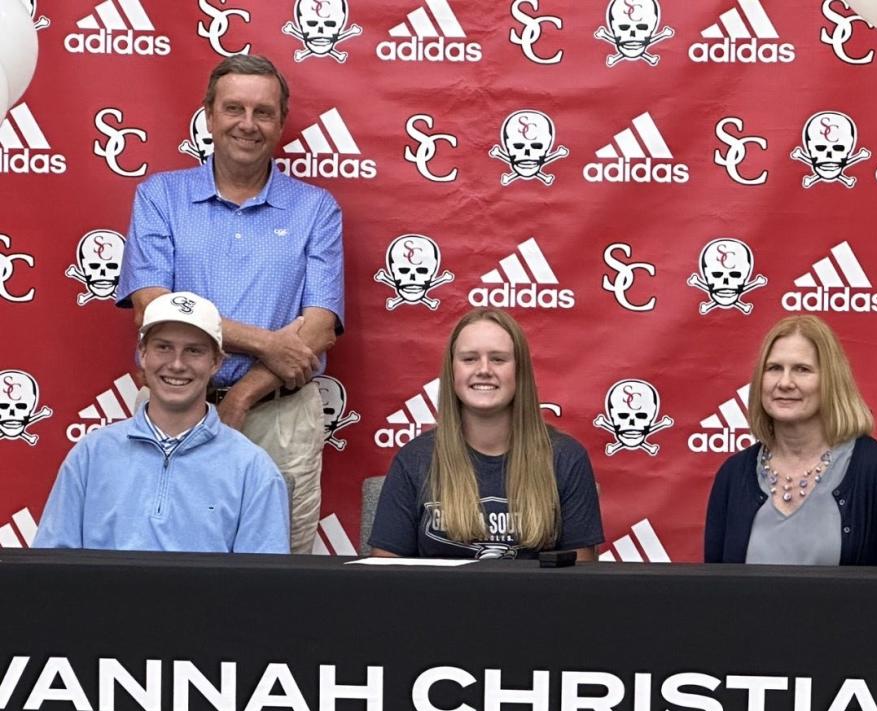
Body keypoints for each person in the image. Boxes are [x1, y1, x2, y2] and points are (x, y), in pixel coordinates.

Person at [116, 55, 343, 554]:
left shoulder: (317, 208)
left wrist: (241, 398)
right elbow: (154, 310)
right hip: (172, 406)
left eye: (263, 112)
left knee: (279, 579)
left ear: (281, 122)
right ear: (209, 115)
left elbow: (320, 328)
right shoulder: (160, 197)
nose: (247, 124)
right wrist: (266, 341)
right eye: (233, 108)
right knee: (159, 558)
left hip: (280, 416)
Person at [34, 292, 290, 553]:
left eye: (193, 351)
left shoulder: (254, 470)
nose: (177, 364)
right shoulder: (90, 455)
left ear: (215, 362)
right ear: (143, 354)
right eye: (163, 347)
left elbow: (261, 587)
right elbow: (50, 569)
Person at [369, 308, 604, 560]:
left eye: (498, 359)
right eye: (469, 359)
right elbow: (385, 576)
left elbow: (580, 584)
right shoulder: (414, 459)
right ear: (452, 372)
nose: (483, 369)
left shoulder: (566, 458)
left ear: (519, 371)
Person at [704, 315, 877, 566]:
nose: (785, 383)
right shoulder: (732, 475)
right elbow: (715, 593)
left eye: (802, 369)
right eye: (774, 368)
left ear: (831, 381)